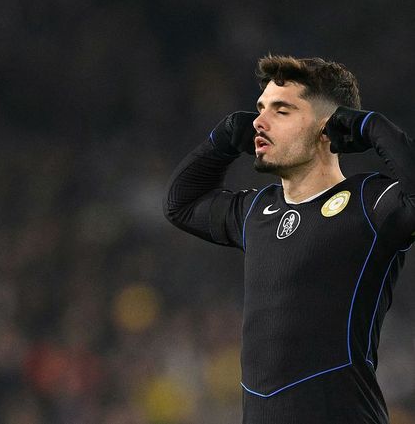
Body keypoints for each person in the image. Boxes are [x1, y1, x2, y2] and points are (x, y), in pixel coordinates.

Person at [163, 55, 415, 423]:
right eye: (260, 109)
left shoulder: (369, 204)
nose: (259, 122)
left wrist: (372, 126)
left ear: (329, 126)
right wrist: (223, 138)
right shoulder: (256, 211)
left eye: (281, 111)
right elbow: (180, 204)